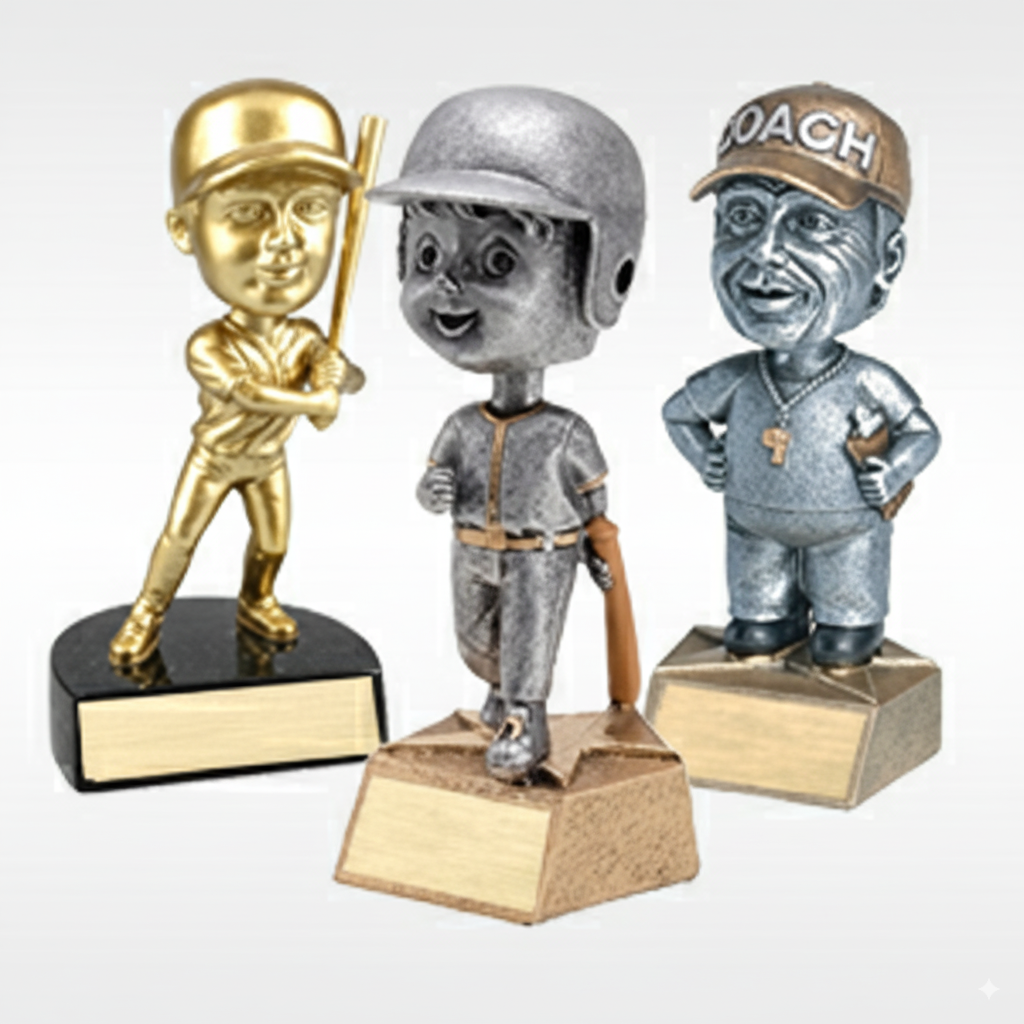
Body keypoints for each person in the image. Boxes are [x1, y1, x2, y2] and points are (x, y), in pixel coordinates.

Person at [369, 87, 645, 781]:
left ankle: (527, 712)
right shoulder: (463, 425)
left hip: (539, 551)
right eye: (426, 255)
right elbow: (436, 478)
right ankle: (499, 691)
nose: (447, 286)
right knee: (474, 639)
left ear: (597, 274)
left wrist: (599, 543)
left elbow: (594, 498)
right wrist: (432, 491)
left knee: (528, 638)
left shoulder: (564, 432)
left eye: (497, 263)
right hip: (471, 544)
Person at [664, 83, 940, 667]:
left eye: (812, 223)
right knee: (754, 628)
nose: (763, 252)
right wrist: (703, 456)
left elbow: (922, 433)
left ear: (886, 260)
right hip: (752, 525)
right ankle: (768, 615)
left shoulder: (864, 381)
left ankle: (849, 621)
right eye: (743, 216)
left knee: (844, 635)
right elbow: (679, 414)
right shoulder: (739, 377)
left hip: (847, 529)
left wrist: (892, 471)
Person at [109, 80, 364, 666]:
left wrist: (339, 373)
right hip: (216, 459)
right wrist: (314, 403)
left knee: (274, 542)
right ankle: (147, 613)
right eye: (248, 212)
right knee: (180, 538)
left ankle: (257, 599)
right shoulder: (210, 343)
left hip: (268, 459)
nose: (284, 241)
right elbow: (249, 394)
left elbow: (348, 383)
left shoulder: (304, 336)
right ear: (183, 229)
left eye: (311, 208)